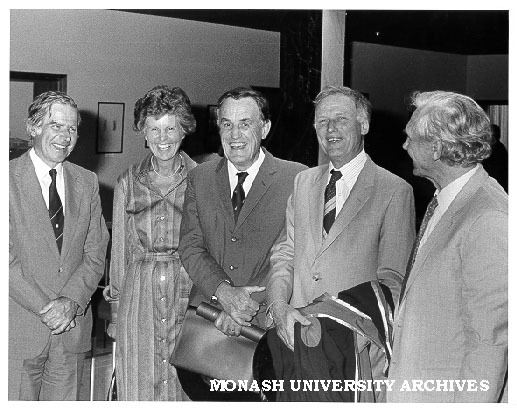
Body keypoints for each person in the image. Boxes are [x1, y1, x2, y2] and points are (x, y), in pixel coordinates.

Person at [266, 86, 415, 400]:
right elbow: (286, 253)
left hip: (355, 350)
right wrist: (279, 307)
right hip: (298, 338)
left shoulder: (394, 191)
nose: (330, 129)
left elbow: (394, 282)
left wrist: (351, 328)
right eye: (322, 122)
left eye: (340, 120)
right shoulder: (304, 181)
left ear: (363, 125)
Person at [388, 91, 508, 402]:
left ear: (437, 147)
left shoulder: (488, 216)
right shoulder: (447, 197)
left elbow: (490, 343)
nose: (404, 146)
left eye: (411, 137)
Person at [9, 91, 110, 400]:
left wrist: (70, 301)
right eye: (56, 126)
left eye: (72, 128)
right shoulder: (6, 179)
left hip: (72, 329)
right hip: (18, 331)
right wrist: (47, 309)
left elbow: (96, 252)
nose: (65, 137)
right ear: (33, 127)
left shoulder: (87, 181)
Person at [103, 85, 197, 401]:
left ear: (184, 130)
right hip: (138, 296)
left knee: (183, 384)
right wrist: (116, 314)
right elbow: (121, 252)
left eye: (170, 127)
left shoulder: (203, 179)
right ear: (143, 133)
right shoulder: (127, 182)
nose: (162, 137)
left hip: (187, 292)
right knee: (139, 384)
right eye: (153, 128)